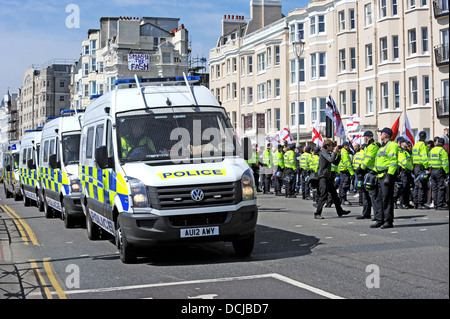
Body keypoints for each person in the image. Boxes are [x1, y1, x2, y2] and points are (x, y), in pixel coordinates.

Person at [314, 139, 351, 219]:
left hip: (328, 177)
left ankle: (340, 211)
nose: (333, 148)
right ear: (327, 146)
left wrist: (339, 154)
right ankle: (317, 213)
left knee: (334, 195)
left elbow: (335, 162)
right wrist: (335, 151)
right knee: (323, 195)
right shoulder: (323, 152)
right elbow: (331, 159)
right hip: (323, 177)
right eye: (332, 146)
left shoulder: (328, 153)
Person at [370, 128, 399, 229]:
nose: (380, 134)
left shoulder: (392, 145)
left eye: (381, 133)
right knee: (378, 199)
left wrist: (390, 176)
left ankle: (388, 221)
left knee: (387, 199)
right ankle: (379, 220)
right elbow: (378, 162)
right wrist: (373, 171)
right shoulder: (382, 147)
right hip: (378, 176)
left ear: (385, 135)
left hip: (386, 176)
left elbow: (393, 161)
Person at [356, 131, 379, 220]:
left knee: (372, 195)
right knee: (365, 194)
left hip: (371, 172)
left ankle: (377, 215)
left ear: (367, 137)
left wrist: (360, 168)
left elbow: (368, 160)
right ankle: (366, 213)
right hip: (366, 171)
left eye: (364, 137)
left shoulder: (372, 147)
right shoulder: (368, 147)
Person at [429, 138, 449, 210]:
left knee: (435, 188)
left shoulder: (432, 150)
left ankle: (436, 204)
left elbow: (429, 160)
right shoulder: (442, 151)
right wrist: (447, 172)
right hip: (439, 171)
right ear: (443, 144)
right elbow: (445, 163)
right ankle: (440, 205)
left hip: (432, 170)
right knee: (441, 188)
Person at [412, 131, 430, 209]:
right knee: (421, 185)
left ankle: (416, 202)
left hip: (415, 166)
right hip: (421, 167)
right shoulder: (423, 145)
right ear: (425, 137)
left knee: (416, 185)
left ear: (419, 137)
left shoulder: (415, 145)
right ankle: (420, 203)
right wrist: (426, 167)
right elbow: (424, 157)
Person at [395, 137, 414, 209]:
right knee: (403, 188)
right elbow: (405, 162)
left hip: (408, 172)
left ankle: (406, 203)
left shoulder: (406, 152)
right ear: (402, 143)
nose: (407, 144)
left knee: (407, 188)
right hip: (404, 172)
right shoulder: (401, 152)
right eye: (405, 143)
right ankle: (402, 203)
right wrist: (412, 168)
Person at [338, 141, 355, 205]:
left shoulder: (342, 152)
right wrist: (352, 173)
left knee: (342, 186)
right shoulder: (345, 153)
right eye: (348, 146)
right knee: (344, 186)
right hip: (345, 171)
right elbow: (347, 164)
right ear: (345, 146)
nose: (349, 147)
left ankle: (341, 199)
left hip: (342, 171)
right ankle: (343, 199)